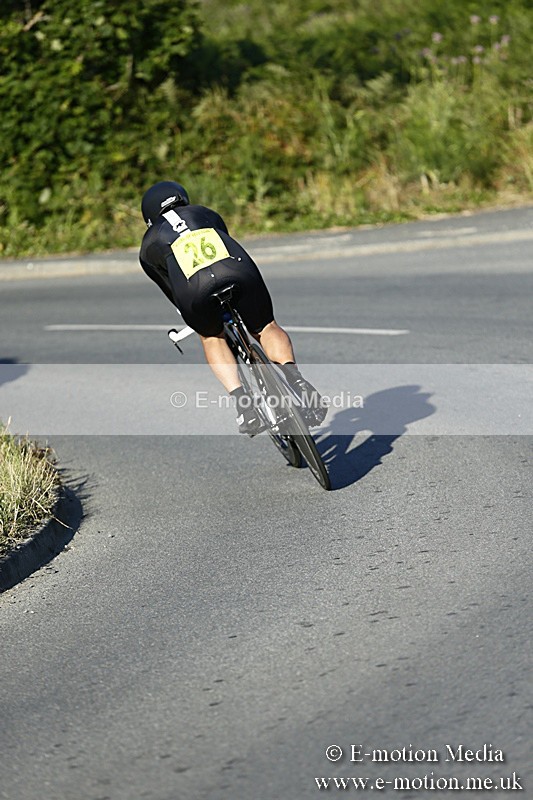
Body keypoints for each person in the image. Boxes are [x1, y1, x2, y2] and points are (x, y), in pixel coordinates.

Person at [139, 180, 325, 435]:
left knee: (212, 337)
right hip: (237, 270)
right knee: (266, 326)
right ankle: (297, 380)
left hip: (195, 289)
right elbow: (225, 243)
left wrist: (197, 320)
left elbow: (172, 290)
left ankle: (245, 407)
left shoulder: (148, 245)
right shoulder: (205, 212)